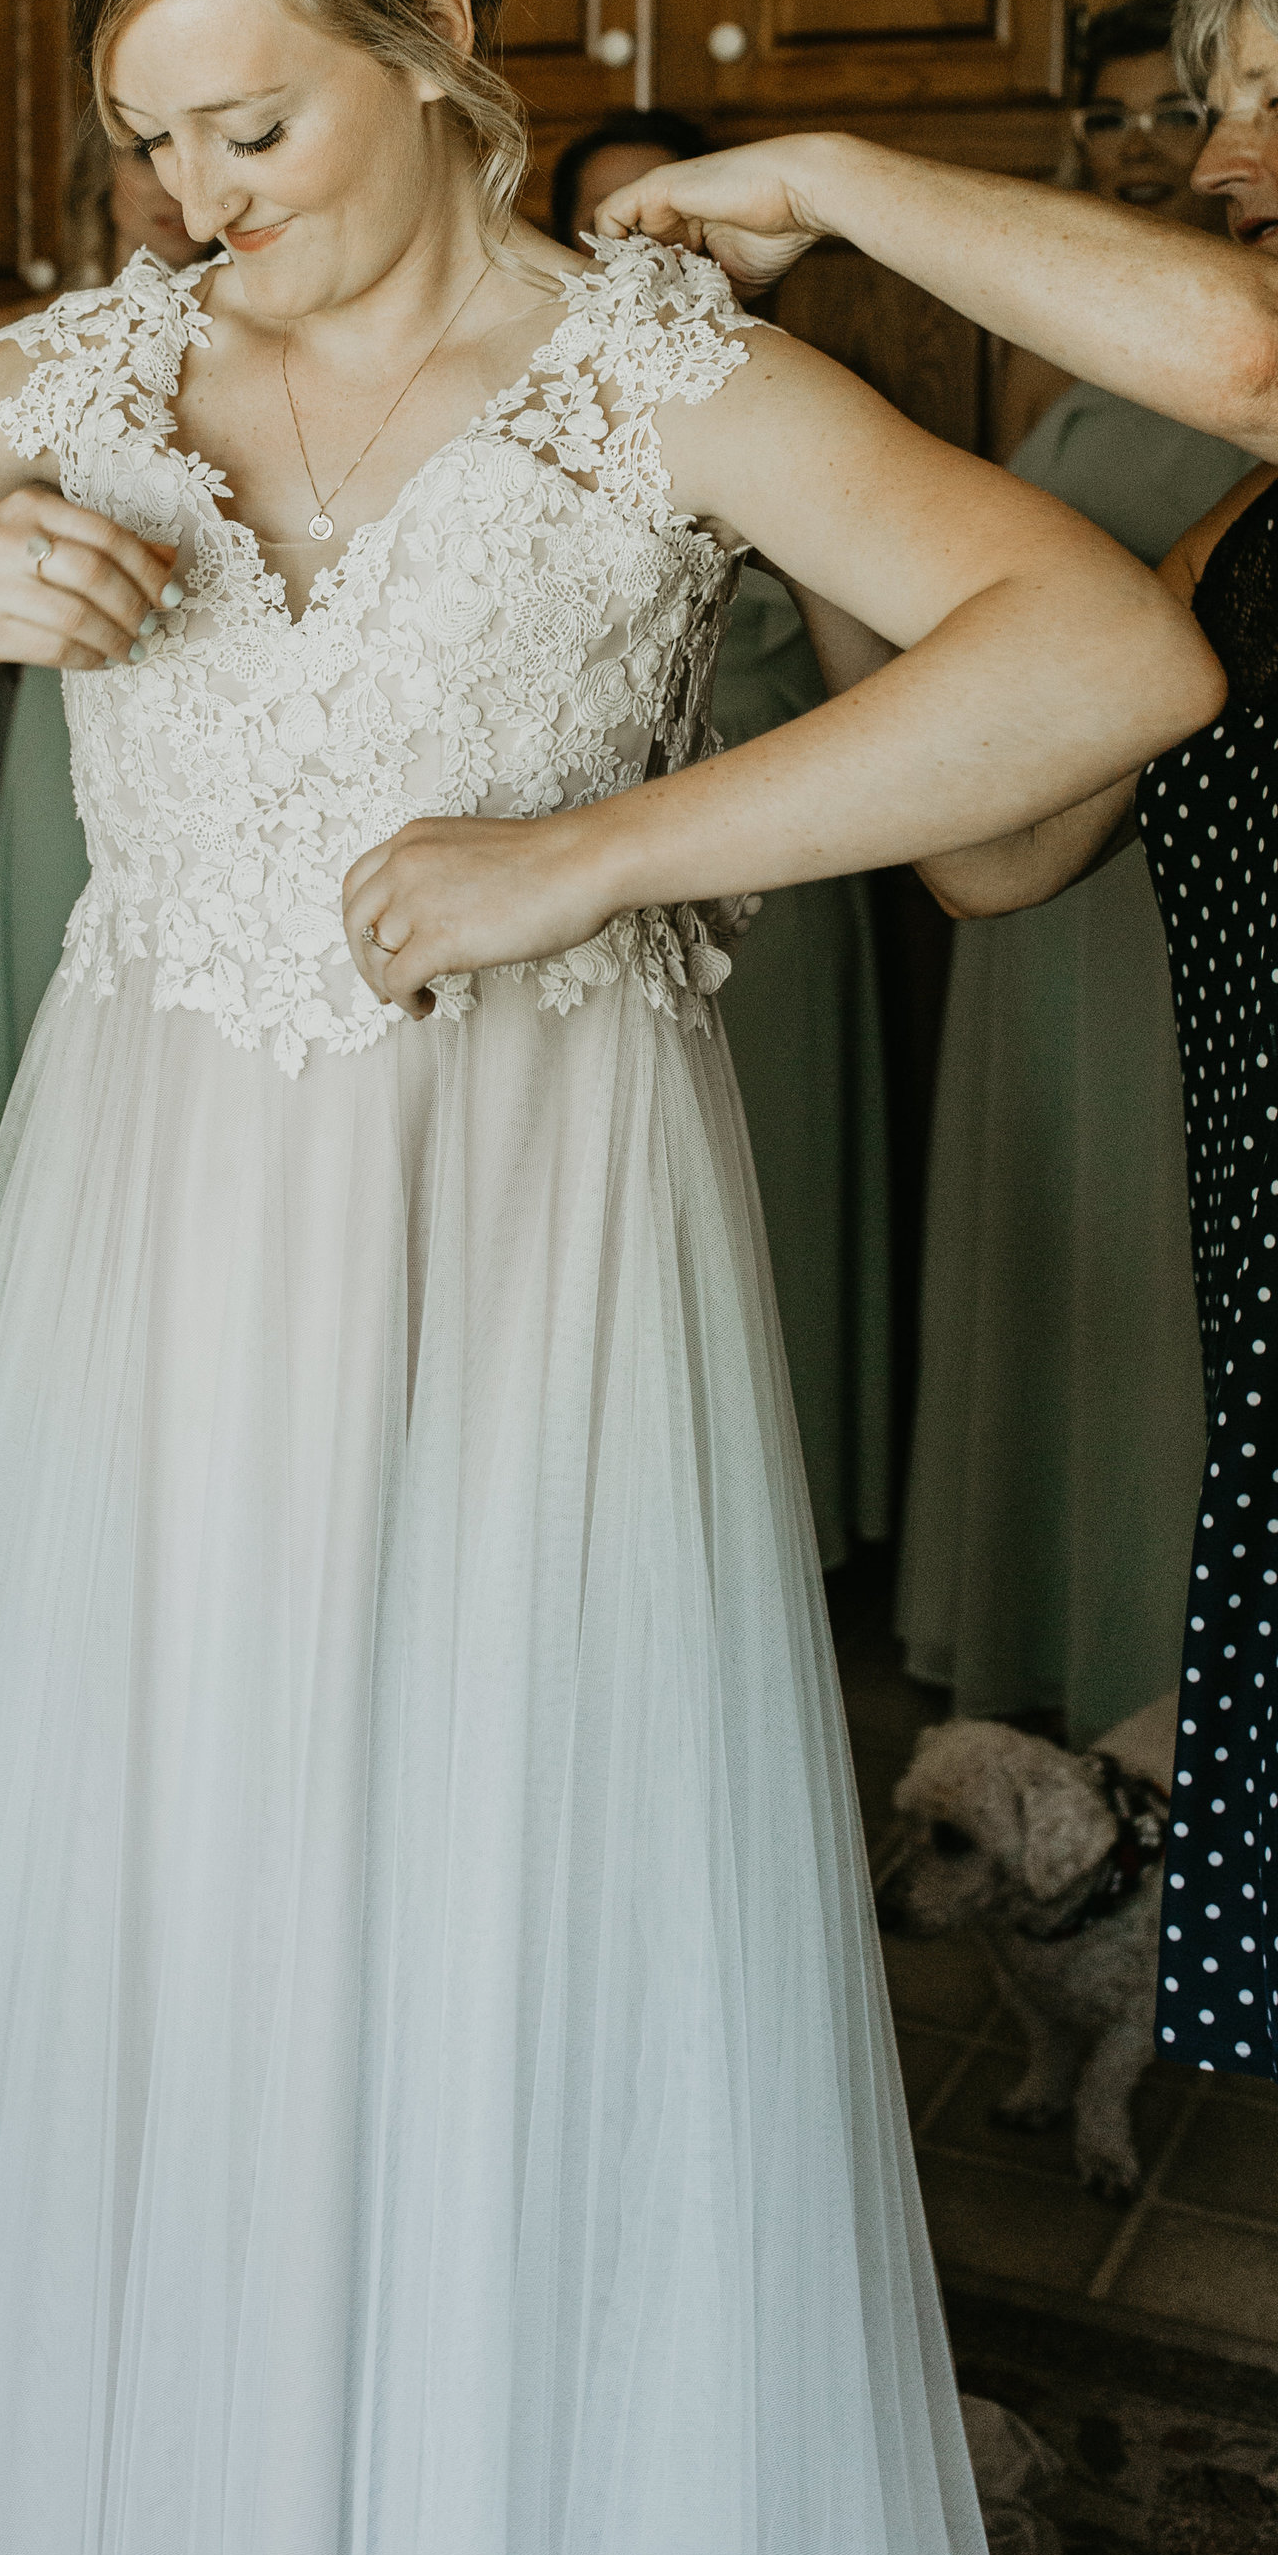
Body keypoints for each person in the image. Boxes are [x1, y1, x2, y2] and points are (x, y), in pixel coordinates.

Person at [0, 0, 1217, 2555]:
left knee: (503, 1895)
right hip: (154, 1247)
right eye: (146, 131)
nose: (194, 192)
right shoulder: (93, 366)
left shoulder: (648, 375)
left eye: (248, 116)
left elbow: (1094, 661)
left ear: (439, 25)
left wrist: (595, 849)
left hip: (538, 1248)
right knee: (155, 1883)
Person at [597, 0, 1278, 2555]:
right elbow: (1004, 842)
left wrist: (832, 174)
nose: (1215, 148)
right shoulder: (1260, 529)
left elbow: (1257, 335)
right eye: (1204, 97)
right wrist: (766, 469)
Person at [896, 0, 1251, 1736]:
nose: (1133, 147)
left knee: (1161, 1233)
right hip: (1035, 844)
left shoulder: (1266, 326)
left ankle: (1168, 1677)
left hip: (1179, 840)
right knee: (1047, 1235)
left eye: (1167, 114)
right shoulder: (1058, 343)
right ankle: (1041, 1628)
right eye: (1105, 122)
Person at [555, 107, 893, 1565]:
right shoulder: (540, 410)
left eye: (671, 227)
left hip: (786, 864)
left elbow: (873, 689)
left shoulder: (804, 408)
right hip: (577, 888)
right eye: (608, 230)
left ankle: (766, 1542)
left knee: (774, 1213)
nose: (645, 261)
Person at [0, 123, 200, 1146]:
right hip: (68, 692)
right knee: (54, 970)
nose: (169, 180)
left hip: (226, 693)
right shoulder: (19, 339)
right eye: (139, 148)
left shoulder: (280, 339)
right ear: (93, 172)